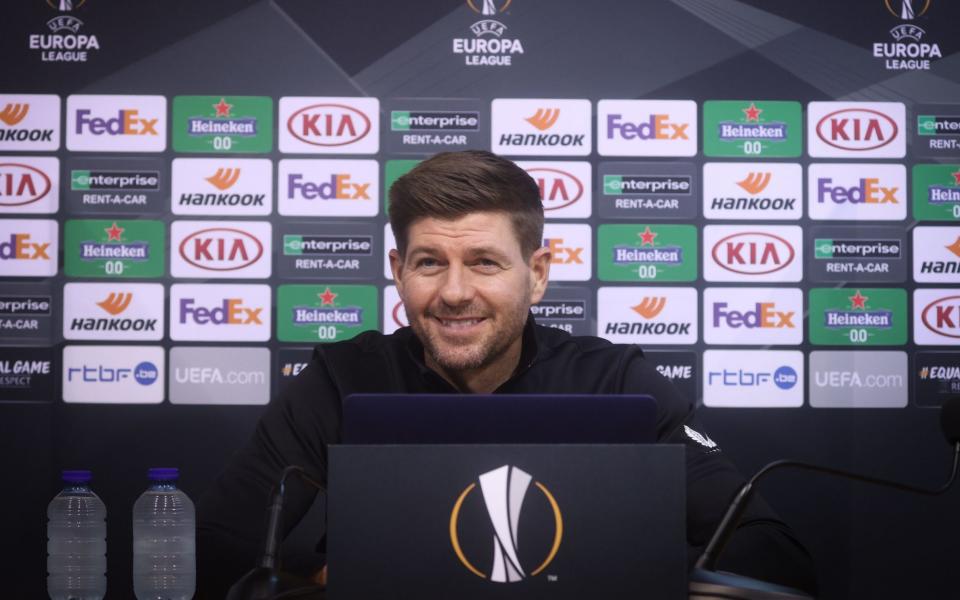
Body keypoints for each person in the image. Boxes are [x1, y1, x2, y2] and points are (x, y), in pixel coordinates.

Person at [197, 150, 817, 596]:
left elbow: (771, 555)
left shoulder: (614, 381)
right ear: (397, 270)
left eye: (486, 263)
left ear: (538, 273)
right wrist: (331, 576)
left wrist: (612, 571)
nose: (454, 291)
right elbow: (215, 549)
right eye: (429, 262)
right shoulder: (342, 378)